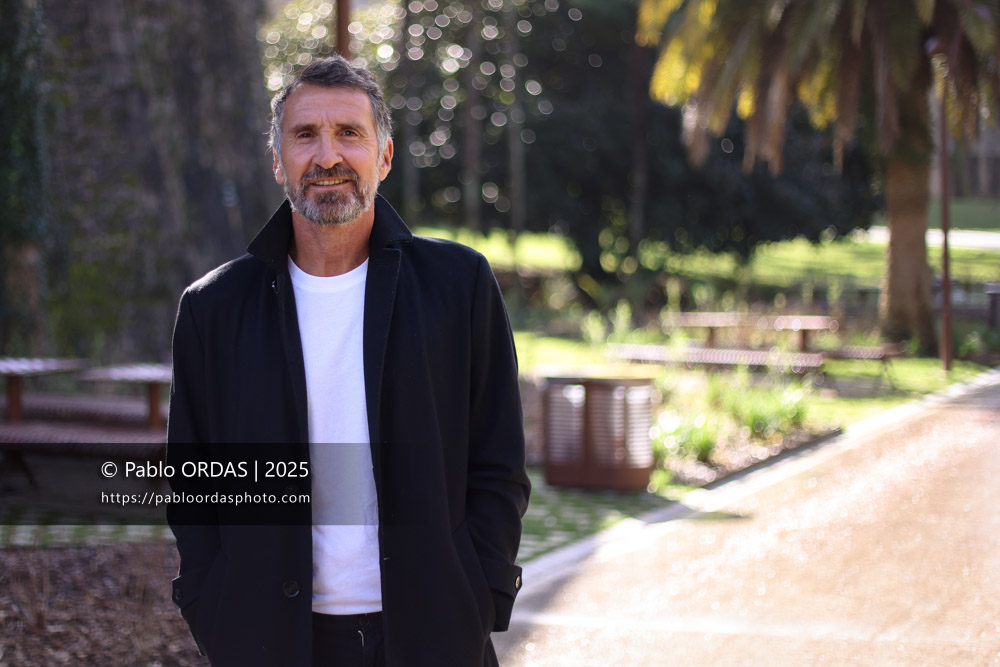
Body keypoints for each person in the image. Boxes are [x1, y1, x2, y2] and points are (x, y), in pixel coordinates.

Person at [166, 55, 530, 666]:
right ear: (279, 160)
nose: (327, 156)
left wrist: (480, 589)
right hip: (269, 641)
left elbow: (498, 462)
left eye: (350, 133)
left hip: (433, 634)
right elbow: (193, 484)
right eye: (305, 135)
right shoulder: (214, 309)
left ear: (383, 157)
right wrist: (214, 604)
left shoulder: (458, 285)